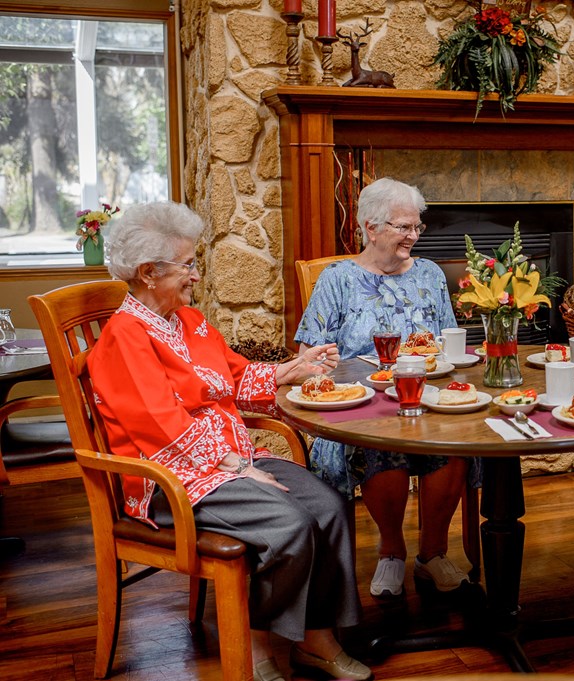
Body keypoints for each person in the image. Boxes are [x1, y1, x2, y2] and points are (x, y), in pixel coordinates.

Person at [88, 201, 370, 681]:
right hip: (172, 479)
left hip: (233, 458)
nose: (196, 275)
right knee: (289, 524)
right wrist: (238, 467)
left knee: (330, 505)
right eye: (188, 265)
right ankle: (256, 643)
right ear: (148, 272)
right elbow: (162, 428)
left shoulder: (190, 323)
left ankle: (317, 640)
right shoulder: (124, 338)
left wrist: (290, 370)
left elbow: (236, 378)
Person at [295, 177, 471, 599]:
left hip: (427, 396)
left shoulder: (429, 274)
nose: (413, 236)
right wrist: (333, 369)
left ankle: (432, 554)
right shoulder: (337, 279)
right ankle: (392, 551)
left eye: (417, 228)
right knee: (381, 443)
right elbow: (308, 356)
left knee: (457, 436)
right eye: (403, 228)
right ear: (371, 228)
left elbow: (448, 342)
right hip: (362, 405)